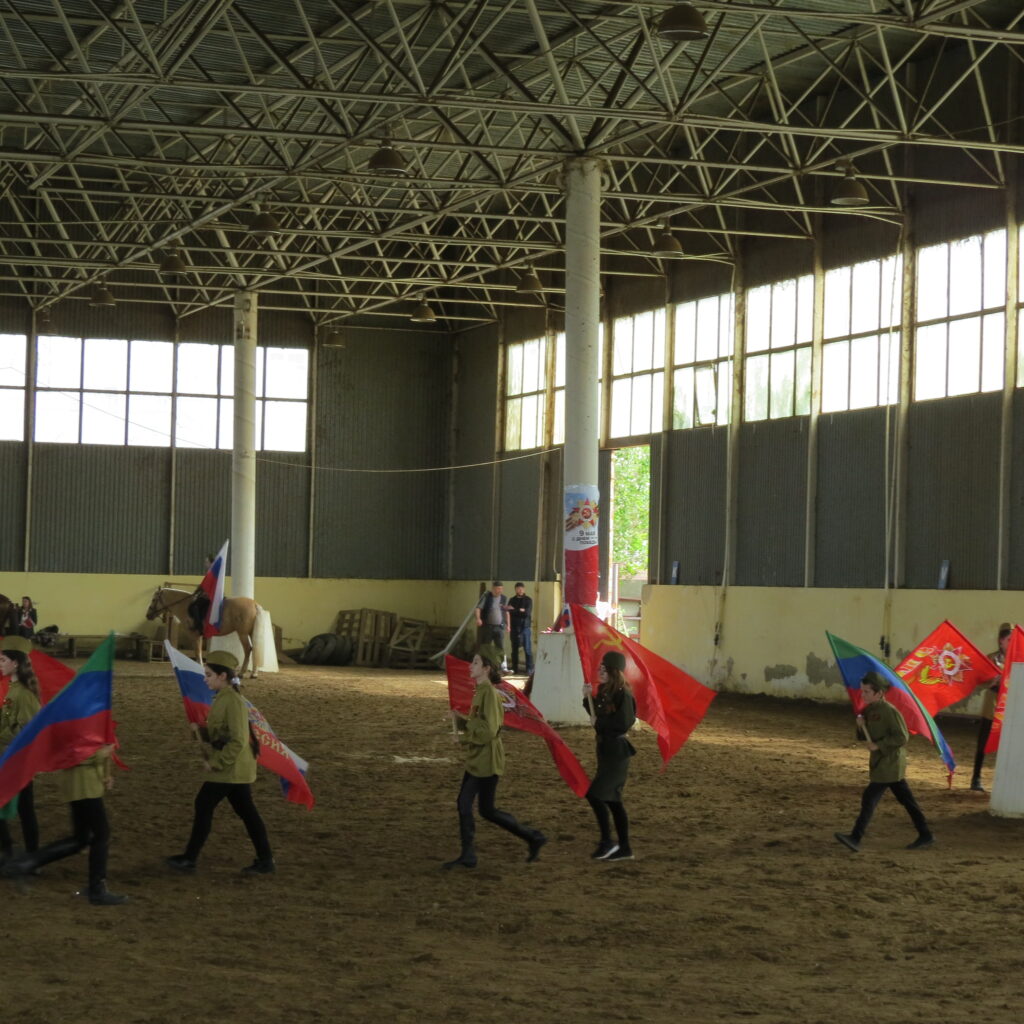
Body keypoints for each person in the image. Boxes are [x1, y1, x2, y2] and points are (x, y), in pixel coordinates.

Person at [165, 650, 275, 875]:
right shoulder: (224, 698)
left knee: (204, 804)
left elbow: (238, 740)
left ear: (222, 676)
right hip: (236, 767)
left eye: (208, 675)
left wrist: (217, 762)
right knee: (246, 812)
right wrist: (201, 732)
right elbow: (223, 734)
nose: (205, 679)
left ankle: (190, 858)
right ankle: (265, 860)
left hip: (231, 767)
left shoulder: (231, 701)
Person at [444, 651, 546, 869]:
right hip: (482, 759)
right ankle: (533, 837)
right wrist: (460, 721)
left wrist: (463, 737)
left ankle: (469, 855)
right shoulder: (482, 691)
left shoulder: (488, 694)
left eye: (475, 662)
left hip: (485, 760)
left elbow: (489, 731)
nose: (470, 666)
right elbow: (480, 724)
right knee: (486, 810)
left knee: (465, 804)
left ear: (486, 668)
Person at [1, 744, 127, 905]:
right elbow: (77, 753)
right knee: (101, 834)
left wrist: (104, 771)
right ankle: (97, 890)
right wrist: (101, 754)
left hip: (78, 783)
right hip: (85, 783)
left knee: (80, 839)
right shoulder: (80, 729)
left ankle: (24, 863)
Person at [834, 671, 934, 852]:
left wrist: (879, 745)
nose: (862, 695)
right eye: (862, 691)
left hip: (890, 763)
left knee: (870, 798)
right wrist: (860, 726)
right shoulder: (869, 710)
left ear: (879, 693)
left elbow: (902, 737)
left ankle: (855, 837)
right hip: (883, 762)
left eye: (867, 691)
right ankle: (925, 834)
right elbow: (864, 736)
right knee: (907, 801)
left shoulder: (889, 711)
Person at [583, 650, 637, 862]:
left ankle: (608, 842)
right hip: (606, 750)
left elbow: (622, 722)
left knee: (596, 795)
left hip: (616, 752)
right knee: (612, 800)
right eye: (600, 668)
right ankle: (623, 847)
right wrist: (587, 698)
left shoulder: (624, 694)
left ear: (614, 672)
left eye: (604, 669)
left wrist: (599, 723)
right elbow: (598, 714)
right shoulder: (606, 691)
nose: (600, 672)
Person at [0, 635, 41, 862]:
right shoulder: (14, 689)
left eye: (3, 660)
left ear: (15, 663)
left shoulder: (23, 695)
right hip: (9, 757)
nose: (0, 664)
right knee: (24, 808)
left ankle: (25, 854)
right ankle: (19, 852)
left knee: (25, 808)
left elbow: (28, 733)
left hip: (16, 760)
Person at [970, 622, 1010, 793]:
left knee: (1009, 745)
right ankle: (976, 777)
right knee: (984, 741)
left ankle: (1006, 780)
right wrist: (992, 681)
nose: (1012, 643)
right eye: (1009, 640)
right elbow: (979, 679)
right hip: (993, 704)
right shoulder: (992, 659)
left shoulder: (1019, 659)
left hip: (1011, 705)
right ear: (1001, 640)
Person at [474, 582, 509, 666]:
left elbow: (507, 612)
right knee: (486, 646)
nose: (500, 591)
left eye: (501, 589)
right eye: (498, 589)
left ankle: (503, 666)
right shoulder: (487, 597)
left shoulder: (504, 598)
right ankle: (485, 665)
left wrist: (508, 625)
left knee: (500, 647)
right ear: (493, 588)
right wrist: (478, 619)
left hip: (499, 627)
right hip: (488, 627)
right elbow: (478, 609)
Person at [508, 582, 534, 675]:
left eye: (521, 588)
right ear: (515, 589)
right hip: (514, 628)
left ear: (524, 589)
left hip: (525, 628)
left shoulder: (528, 600)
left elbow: (527, 613)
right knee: (514, 649)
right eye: (518, 588)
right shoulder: (512, 600)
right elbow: (509, 612)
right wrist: (520, 610)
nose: (520, 590)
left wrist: (515, 610)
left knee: (527, 649)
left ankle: (529, 669)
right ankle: (514, 669)